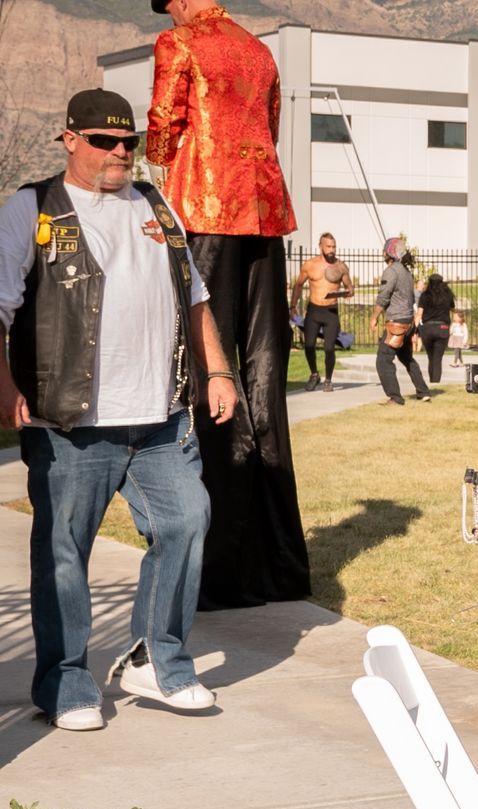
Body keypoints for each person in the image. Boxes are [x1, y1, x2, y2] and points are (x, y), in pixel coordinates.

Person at [0, 90, 237, 730]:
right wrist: (4, 384)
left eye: (127, 142)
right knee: (64, 552)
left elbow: (195, 298)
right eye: (104, 141)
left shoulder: (156, 205)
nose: (119, 153)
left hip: (160, 416)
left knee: (188, 521)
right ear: (70, 139)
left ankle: (154, 661)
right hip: (70, 422)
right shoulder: (32, 207)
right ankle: (65, 681)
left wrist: (217, 371)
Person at [147, 0, 310, 610]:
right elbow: (266, 127)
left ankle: (219, 571)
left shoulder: (180, 43)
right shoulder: (259, 48)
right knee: (264, 377)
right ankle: (280, 567)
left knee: (206, 371)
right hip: (265, 216)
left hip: (206, 209)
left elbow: (162, 135)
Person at [290, 231, 352, 391]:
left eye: (334, 246)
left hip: (331, 312)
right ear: (320, 247)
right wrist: (293, 306)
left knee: (329, 348)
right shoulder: (310, 265)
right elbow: (298, 285)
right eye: (328, 246)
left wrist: (347, 292)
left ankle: (328, 380)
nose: (332, 250)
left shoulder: (341, 266)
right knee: (309, 345)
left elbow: (350, 288)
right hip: (314, 311)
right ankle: (314, 374)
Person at [375, 236, 431, 406]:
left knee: (383, 359)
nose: (382, 254)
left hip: (397, 323)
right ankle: (423, 392)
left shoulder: (391, 271)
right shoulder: (406, 272)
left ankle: (395, 397)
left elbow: (383, 297)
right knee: (406, 357)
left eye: (384, 251)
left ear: (389, 253)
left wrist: (373, 317)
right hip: (408, 322)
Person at [417, 272, 455, 384]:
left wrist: (415, 329)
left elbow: (419, 313)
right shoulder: (447, 295)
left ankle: (432, 382)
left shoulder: (425, 295)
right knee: (438, 359)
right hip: (442, 328)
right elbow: (452, 309)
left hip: (427, 329)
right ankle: (435, 383)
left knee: (431, 358)